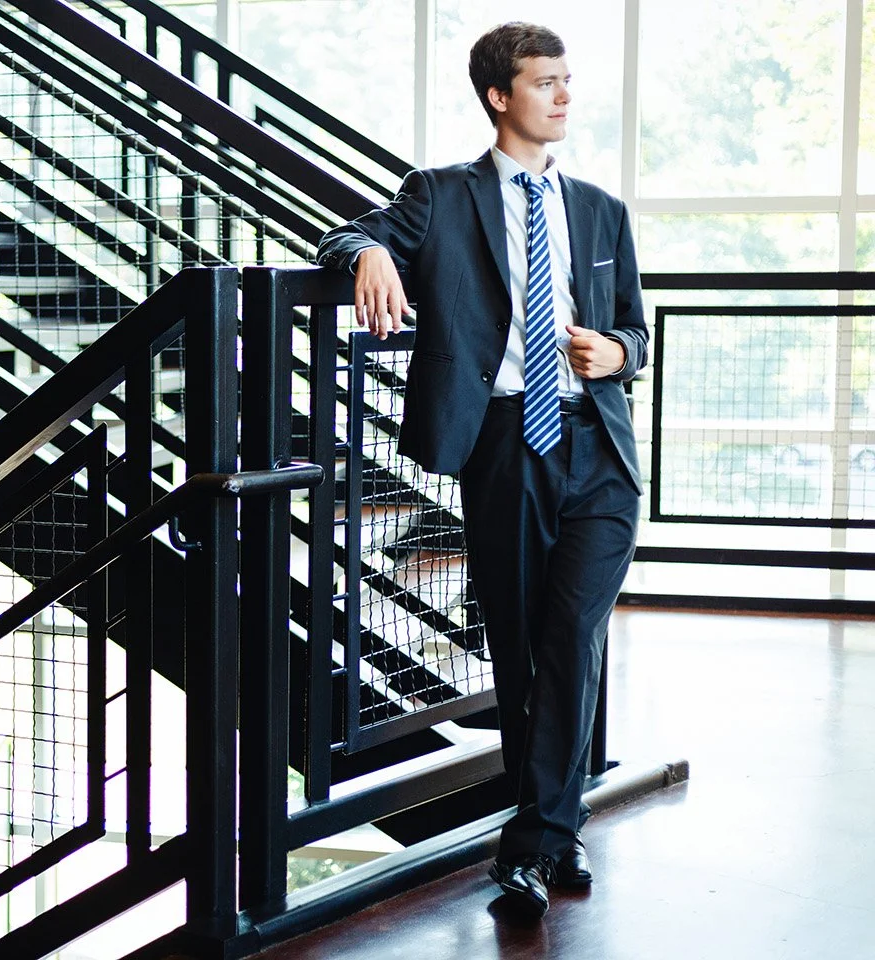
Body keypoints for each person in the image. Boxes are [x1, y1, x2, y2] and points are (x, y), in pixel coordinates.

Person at [315, 21, 647, 919]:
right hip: (505, 446)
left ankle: (534, 842)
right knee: (521, 643)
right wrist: (374, 253)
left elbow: (637, 335)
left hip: (599, 453)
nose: (565, 96)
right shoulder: (442, 197)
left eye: (567, 80)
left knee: (572, 637)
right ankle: (554, 834)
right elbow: (341, 238)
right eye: (546, 82)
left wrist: (613, 352)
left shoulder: (600, 210)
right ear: (500, 96)